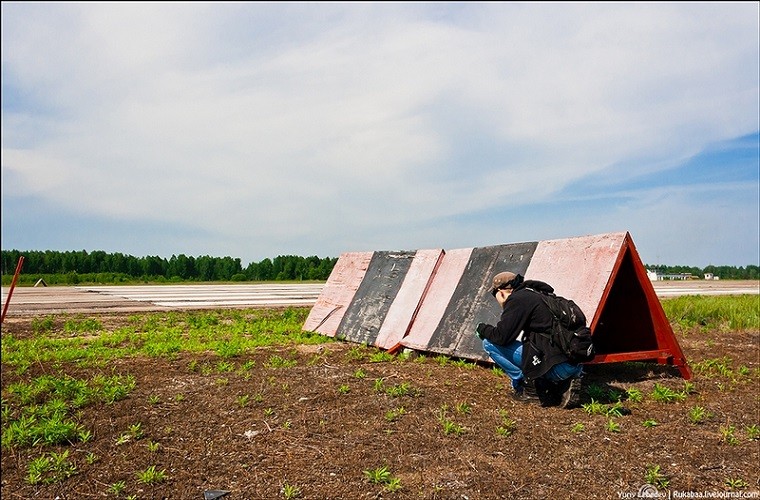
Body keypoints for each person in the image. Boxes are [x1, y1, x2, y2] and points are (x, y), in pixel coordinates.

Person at [476, 271, 583, 408]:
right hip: (575, 364)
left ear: (501, 291)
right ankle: (560, 385)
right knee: (538, 347)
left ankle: (528, 387)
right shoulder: (541, 294)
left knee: (489, 343)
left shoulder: (517, 299)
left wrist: (482, 329)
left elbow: (501, 337)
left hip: (555, 366)